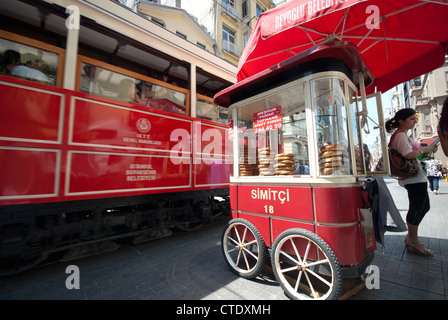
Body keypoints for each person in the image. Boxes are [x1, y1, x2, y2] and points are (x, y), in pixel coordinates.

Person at [385, 108, 435, 256]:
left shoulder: (403, 136)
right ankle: (413, 241)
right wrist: (422, 151)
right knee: (417, 207)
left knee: (424, 206)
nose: (415, 121)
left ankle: (412, 238)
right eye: (412, 118)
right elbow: (408, 154)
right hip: (412, 178)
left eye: (415, 118)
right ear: (401, 121)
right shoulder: (400, 136)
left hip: (415, 176)